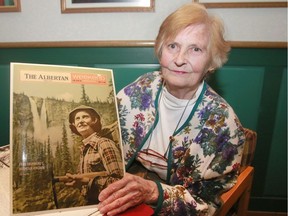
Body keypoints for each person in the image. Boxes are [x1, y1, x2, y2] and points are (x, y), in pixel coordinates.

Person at [98, 2, 245, 215]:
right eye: (172, 46)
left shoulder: (224, 125)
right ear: (160, 51)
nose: (179, 60)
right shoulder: (139, 90)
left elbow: (208, 205)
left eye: (195, 49)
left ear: (211, 62)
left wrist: (155, 192)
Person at [63, 105, 124, 205]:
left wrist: (88, 181)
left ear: (94, 120)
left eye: (85, 117)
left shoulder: (104, 143)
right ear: (74, 125)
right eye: (77, 119)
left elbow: (120, 182)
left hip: (109, 204)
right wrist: (78, 183)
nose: (81, 121)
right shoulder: (84, 149)